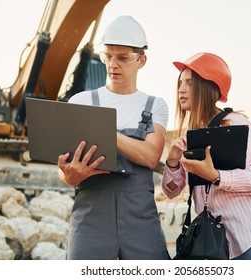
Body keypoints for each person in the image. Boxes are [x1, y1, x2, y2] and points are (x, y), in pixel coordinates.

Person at [58, 15, 170, 260]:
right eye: (108, 56)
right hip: (90, 218)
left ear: (141, 60)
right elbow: (63, 165)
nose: (113, 65)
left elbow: (151, 156)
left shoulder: (155, 106)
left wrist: (103, 130)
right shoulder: (81, 102)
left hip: (140, 219)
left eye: (122, 58)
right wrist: (68, 176)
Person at [161, 52, 251, 260]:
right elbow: (171, 192)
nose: (181, 89)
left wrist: (216, 176)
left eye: (189, 83)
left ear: (207, 87)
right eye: (180, 83)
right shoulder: (189, 136)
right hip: (216, 244)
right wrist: (173, 161)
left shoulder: (236, 123)